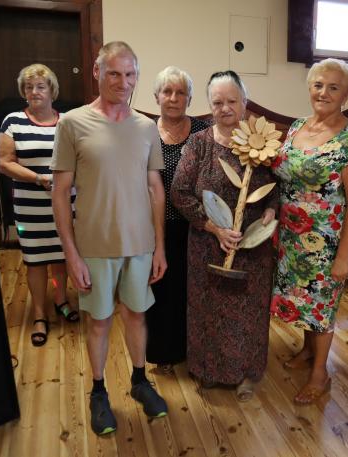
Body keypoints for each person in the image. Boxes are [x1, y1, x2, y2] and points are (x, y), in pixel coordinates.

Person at [51, 41, 168, 436]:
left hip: (140, 244)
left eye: (130, 74)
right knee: (99, 321)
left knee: (136, 315)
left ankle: (139, 380)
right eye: (114, 73)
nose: (123, 82)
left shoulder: (146, 127)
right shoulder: (73, 124)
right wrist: (71, 255)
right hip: (95, 245)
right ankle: (98, 391)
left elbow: (155, 188)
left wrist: (159, 246)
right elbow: (60, 193)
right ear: (97, 72)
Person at [171, 70, 277, 402]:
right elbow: (179, 192)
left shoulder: (262, 144)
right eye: (217, 102)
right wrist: (213, 228)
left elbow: (278, 187)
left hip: (252, 248)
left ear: (245, 102)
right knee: (208, 309)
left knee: (248, 311)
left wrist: (272, 209)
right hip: (207, 245)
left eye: (232, 101)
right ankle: (209, 370)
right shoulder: (199, 144)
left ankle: (247, 373)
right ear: (209, 105)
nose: (225, 108)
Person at [270, 58, 348, 404]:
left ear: (346, 94)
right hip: (290, 237)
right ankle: (308, 350)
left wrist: (344, 257)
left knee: (321, 307)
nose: (323, 92)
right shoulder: (297, 127)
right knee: (302, 300)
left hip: (325, 243)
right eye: (318, 85)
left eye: (333, 87)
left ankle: (320, 374)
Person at [0, 63, 78, 348]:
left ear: (52, 90)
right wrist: (38, 178)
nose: (34, 92)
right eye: (29, 87)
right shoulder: (13, 121)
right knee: (35, 261)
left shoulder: (67, 121)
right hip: (30, 206)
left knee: (61, 256)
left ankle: (61, 300)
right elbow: (4, 163)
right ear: (23, 91)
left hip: (65, 203)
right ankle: (40, 314)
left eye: (40, 86)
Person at [146, 66, 209, 374]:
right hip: (156, 226)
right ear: (156, 96)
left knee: (193, 291)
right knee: (161, 290)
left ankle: (195, 352)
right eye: (167, 91)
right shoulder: (144, 132)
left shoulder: (203, 131)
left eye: (180, 92)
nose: (173, 98)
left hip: (196, 225)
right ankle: (164, 353)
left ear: (190, 98)